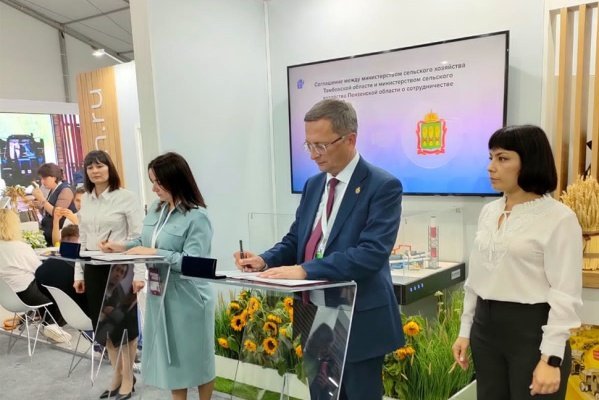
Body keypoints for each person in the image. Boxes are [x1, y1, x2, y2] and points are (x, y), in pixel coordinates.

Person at [234, 99, 404, 399]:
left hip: (358, 321)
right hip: (314, 318)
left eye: (321, 146)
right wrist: (264, 260)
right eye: (309, 145)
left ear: (350, 139)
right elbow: (296, 240)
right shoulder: (314, 185)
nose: (313, 154)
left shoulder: (382, 186)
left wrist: (305, 270)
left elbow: (371, 254)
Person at [451, 125, 583, 399]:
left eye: (503, 158)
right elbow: (476, 280)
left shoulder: (559, 218)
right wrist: (465, 331)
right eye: (491, 157)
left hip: (531, 333)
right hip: (485, 331)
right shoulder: (489, 212)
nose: (491, 167)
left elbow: (565, 293)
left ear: (530, 161)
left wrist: (551, 359)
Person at [101, 152, 215, 400]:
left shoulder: (197, 217)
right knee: (173, 359)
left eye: (158, 182)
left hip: (189, 296)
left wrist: (156, 253)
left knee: (199, 358)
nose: (153, 188)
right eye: (152, 181)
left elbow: (195, 263)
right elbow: (145, 242)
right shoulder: (156, 209)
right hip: (159, 293)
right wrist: (120, 246)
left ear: (176, 180)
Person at [73, 150, 143, 400]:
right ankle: (117, 374)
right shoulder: (86, 198)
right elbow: (82, 239)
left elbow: (139, 238)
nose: (95, 171)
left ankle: (128, 378)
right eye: (90, 167)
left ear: (109, 168)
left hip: (121, 269)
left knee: (124, 328)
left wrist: (140, 273)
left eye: (100, 166)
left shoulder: (126, 197)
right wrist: (79, 272)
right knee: (104, 329)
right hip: (94, 269)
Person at [0, 209, 71, 343]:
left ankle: (49, 323)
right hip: (27, 295)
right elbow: (39, 271)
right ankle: (51, 324)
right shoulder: (20, 247)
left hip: (6, 297)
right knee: (58, 289)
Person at [35, 225, 88, 316]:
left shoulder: (42, 269)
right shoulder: (79, 272)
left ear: (60, 241)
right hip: (86, 315)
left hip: (59, 314)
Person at [31, 163, 77, 246]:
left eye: (45, 178)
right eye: (41, 179)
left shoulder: (66, 190)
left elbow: (57, 213)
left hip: (60, 234)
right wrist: (40, 206)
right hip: (49, 231)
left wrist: (42, 199)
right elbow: (47, 212)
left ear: (54, 177)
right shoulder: (52, 189)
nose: (42, 181)